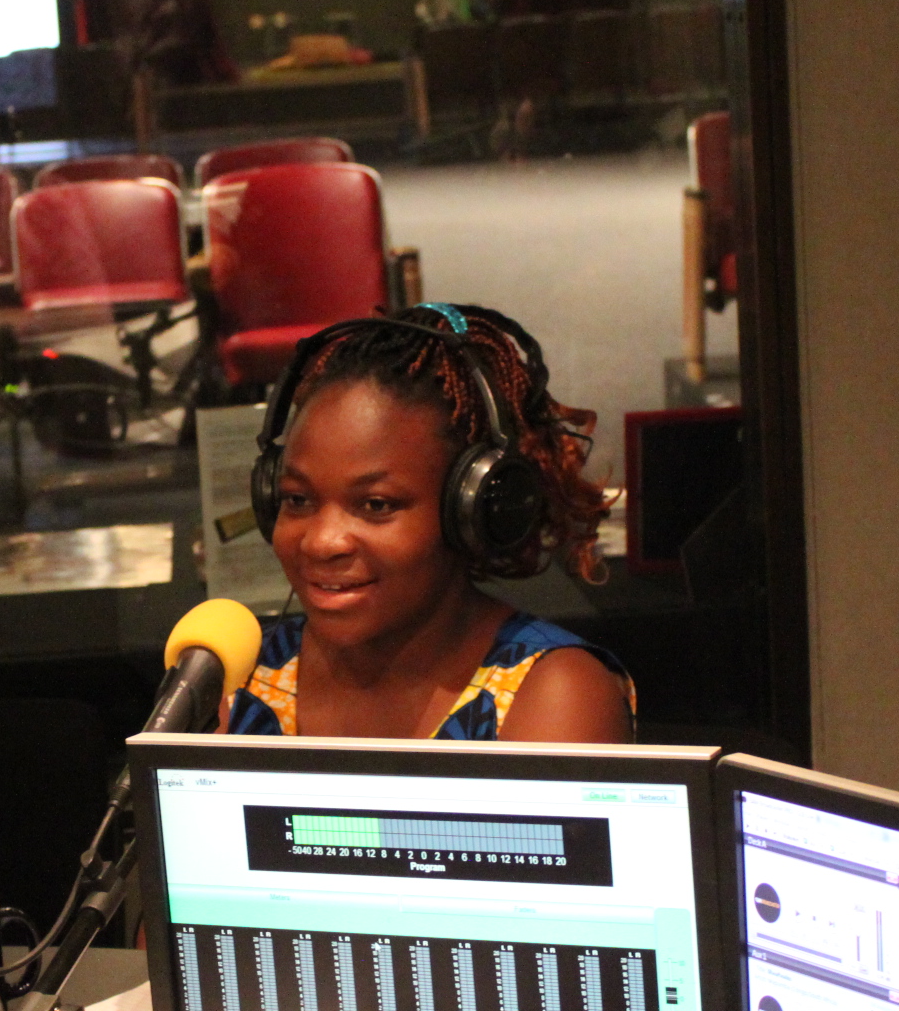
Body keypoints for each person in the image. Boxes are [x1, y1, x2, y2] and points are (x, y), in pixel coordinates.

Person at [229, 302, 634, 742]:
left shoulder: (557, 696)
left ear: (474, 510)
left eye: (376, 505)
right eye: (298, 499)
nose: (322, 542)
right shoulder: (236, 678)